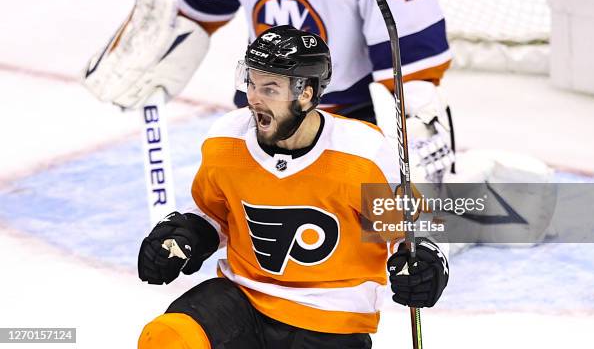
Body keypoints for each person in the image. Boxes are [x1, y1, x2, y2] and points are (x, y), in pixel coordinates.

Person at [136, 26, 449, 348]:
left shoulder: (362, 153)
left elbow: (416, 228)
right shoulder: (226, 139)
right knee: (170, 338)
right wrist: (185, 235)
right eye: (251, 83)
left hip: (329, 319)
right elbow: (213, 214)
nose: (254, 98)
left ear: (306, 94)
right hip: (240, 300)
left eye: (270, 88)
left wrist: (426, 259)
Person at [82, 0, 455, 183]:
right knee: (243, 235)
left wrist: (411, 166)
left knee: (378, 234)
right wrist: (151, 44)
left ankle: (448, 196)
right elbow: (183, 9)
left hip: (349, 126)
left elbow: (414, 67)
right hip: (262, 120)